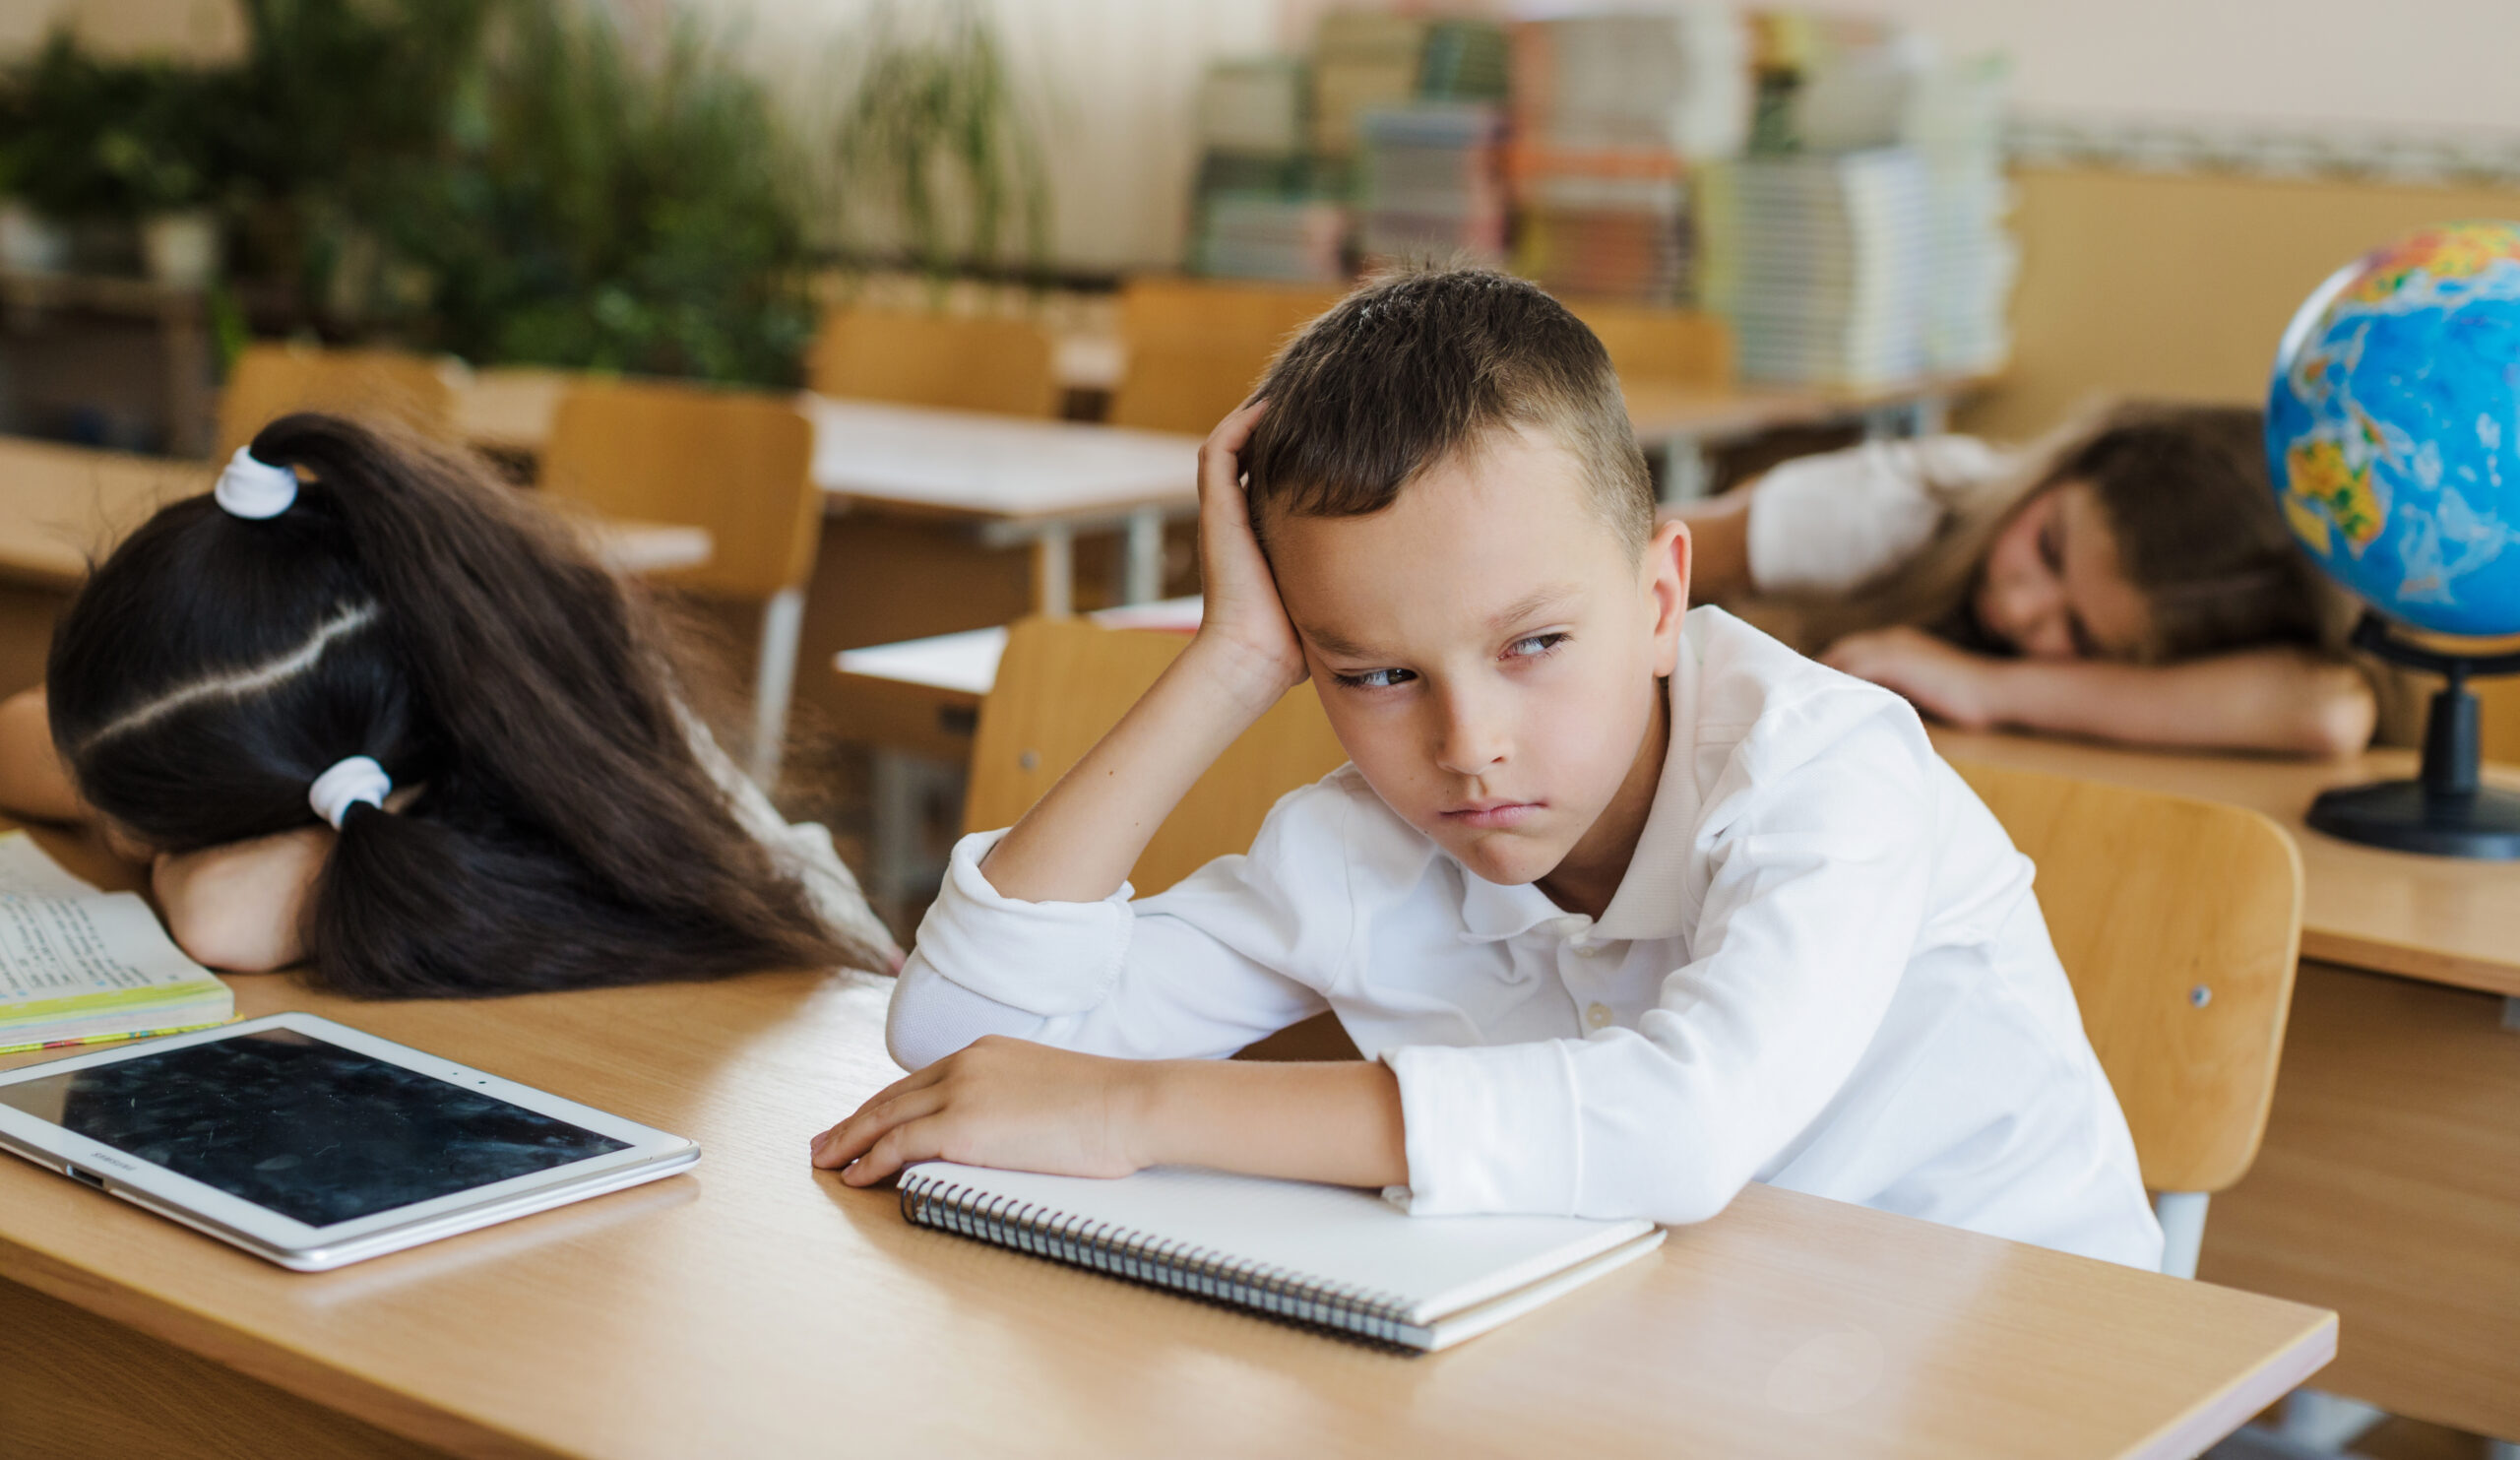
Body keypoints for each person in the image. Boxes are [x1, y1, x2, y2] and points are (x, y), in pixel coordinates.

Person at [813, 267, 2162, 1270]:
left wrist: (1142, 1106)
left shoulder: (1827, 765)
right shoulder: (1362, 845)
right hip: (1688, 1349)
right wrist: (1230, 656)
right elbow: (959, 1044)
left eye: (1534, 643)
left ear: (1656, 594)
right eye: (1376, 672)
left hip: (2035, 1372)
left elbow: (1682, 1126)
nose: (1467, 747)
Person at [0, 412, 897, 995]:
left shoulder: (562, 818)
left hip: (817, 1025)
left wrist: (163, 837)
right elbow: (21, 738)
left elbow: (215, 913)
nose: (124, 840)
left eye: (149, 830)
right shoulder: (382, 643)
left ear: (371, 795)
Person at [1671, 404, 2374, 756]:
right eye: (2048, 546)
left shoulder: (2215, 666)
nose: (2020, 606)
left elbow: (2331, 709)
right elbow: (1635, 552)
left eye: (2078, 632)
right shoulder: (1899, 504)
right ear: (2068, 462)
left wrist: (1986, 687)